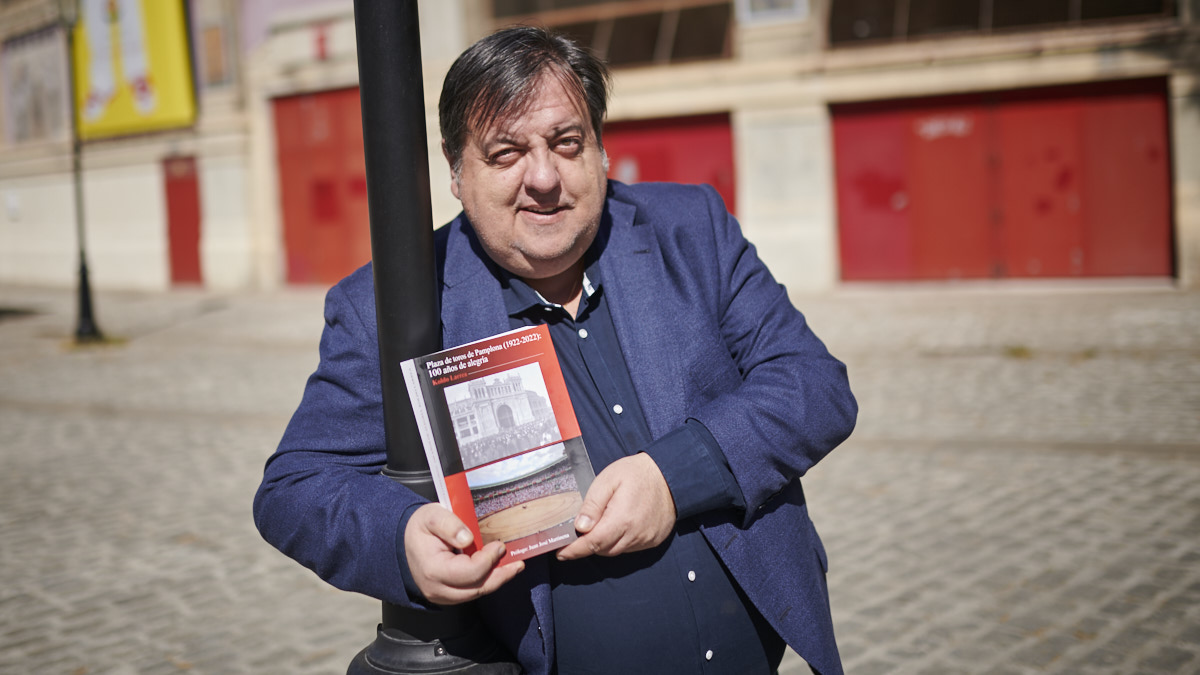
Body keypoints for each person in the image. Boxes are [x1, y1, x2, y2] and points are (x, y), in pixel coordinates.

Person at [253, 26, 856, 675]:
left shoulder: (690, 230)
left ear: (599, 149)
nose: (543, 177)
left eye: (566, 143)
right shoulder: (391, 307)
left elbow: (812, 384)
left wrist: (673, 477)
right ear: (456, 171)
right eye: (506, 152)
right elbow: (295, 487)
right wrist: (402, 543)